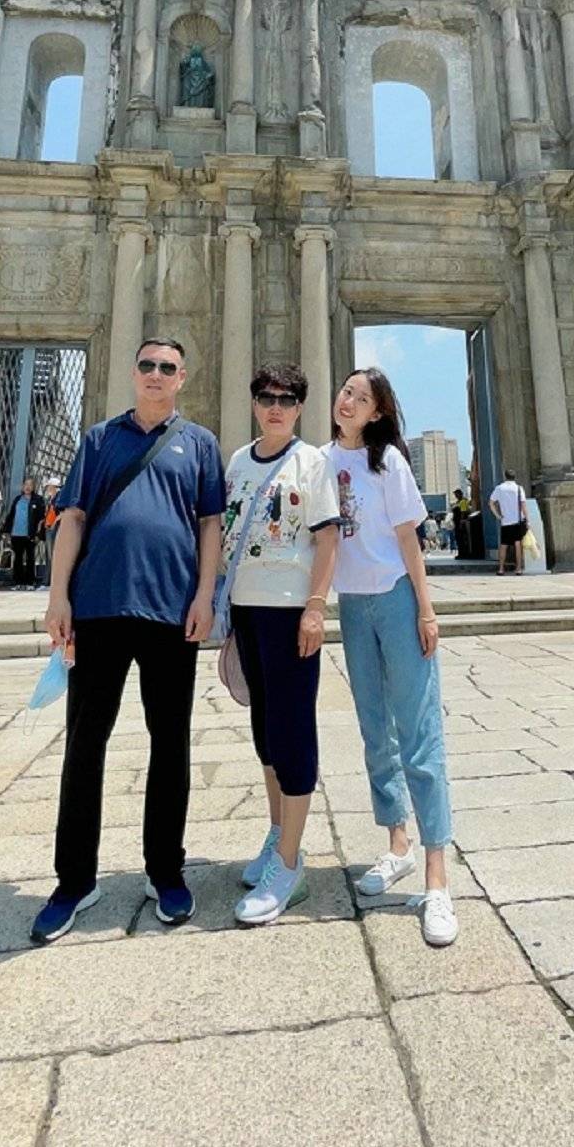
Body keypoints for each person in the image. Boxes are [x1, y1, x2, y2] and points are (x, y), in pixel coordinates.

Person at [31, 338, 225, 945]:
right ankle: (74, 880)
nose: (157, 375)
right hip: (98, 607)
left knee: (170, 744)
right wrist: (57, 597)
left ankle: (165, 870)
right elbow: (74, 518)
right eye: (147, 365)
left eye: (168, 368)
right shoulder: (97, 439)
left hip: (171, 611)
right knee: (84, 744)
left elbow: (210, 524)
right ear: (133, 372)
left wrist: (205, 597)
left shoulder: (200, 444)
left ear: (183, 378)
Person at [326, 368, 458, 947]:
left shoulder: (390, 464)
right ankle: (397, 845)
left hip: (398, 600)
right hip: (353, 606)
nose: (347, 400)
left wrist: (426, 611)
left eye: (361, 396)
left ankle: (437, 878)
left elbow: (408, 541)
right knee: (375, 731)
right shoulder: (321, 461)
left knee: (420, 732)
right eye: (345, 391)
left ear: (378, 412)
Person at [223, 363, 340, 925]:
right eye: (267, 397)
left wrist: (316, 607)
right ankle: (277, 835)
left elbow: (328, 538)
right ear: (253, 403)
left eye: (287, 399)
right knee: (266, 730)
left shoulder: (312, 462)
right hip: (247, 610)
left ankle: (290, 865)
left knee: (293, 732)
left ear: (299, 407)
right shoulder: (238, 462)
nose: (276, 407)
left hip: (292, 610)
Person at [2, 477, 47, 590]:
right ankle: (18, 582)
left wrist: (38, 534)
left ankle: (30, 582)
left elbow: (41, 519)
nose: (27, 487)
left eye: (30, 485)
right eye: (26, 484)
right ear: (22, 486)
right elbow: (11, 515)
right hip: (16, 533)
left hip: (30, 534)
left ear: (33, 487)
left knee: (30, 558)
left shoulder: (38, 500)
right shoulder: (18, 499)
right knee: (17, 558)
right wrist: (6, 531)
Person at [489, 468, 528, 576]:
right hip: (517, 520)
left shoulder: (499, 488)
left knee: (504, 545)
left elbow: (491, 503)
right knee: (518, 544)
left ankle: (501, 569)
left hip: (505, 521)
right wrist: (527, 519)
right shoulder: (519, 488)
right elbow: (523, 505)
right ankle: (518, 568)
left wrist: (497, 515)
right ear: (514, 476)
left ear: (505, 476)